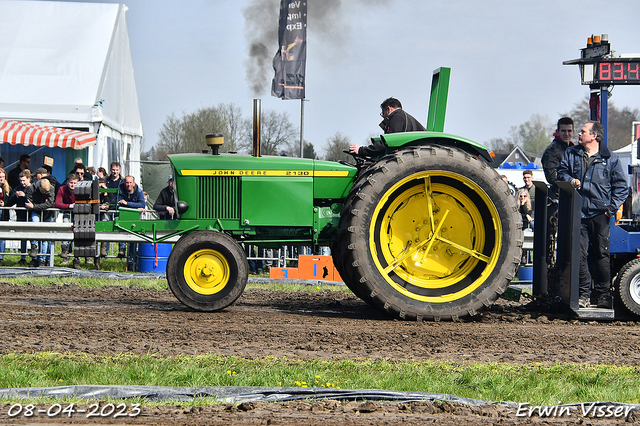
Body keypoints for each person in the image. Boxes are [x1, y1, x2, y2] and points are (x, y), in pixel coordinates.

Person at [558, 121, 629, 309]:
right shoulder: (571, 154)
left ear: (594, 136)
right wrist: (569, 179)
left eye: (582, 131)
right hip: (578, 214)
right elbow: (561, 172)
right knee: (580, 255)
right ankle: (584, 294)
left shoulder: (610, 159)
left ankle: (604, 295)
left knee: (601, 255)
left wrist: (610, 208)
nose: (578, 134)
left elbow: (622, 188)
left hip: (600, 214)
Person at [349, 97, 425, 158]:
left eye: (383, 114)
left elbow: (387, 144)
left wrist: (361, 150)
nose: (383, 117)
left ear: (388, 109)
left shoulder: (397, 116)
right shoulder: (405, 118)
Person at [542, 117, 575, 202]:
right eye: (563, 131)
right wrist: (571, 180)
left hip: (573, 195)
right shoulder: (551, 151)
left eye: (569, 131)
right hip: (558, 197)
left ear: (573, 132)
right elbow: (552, 177)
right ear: (557, 132)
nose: (566, 134)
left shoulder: (573, 149)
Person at [25, 176, 56, 267]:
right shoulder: (31, 188)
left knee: (45, 237)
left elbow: (50, 203)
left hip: (47, 214)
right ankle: (34, 246)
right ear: (39, 186)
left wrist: (35, 206)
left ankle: (42, 259)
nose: (44, 193)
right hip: (36, 213)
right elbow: (28, 202)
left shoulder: (51, 188)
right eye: (43, 191)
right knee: (35, 226)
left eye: (46, 192)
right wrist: (43, 205)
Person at [118, 175, 145, 270]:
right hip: (123, 218)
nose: (128, 185)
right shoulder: (120, 189)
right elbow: (118, 204)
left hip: (135, 219)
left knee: (133, 240)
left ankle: (132, 260)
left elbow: (142, 204)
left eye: (130, 183)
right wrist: (134, 207)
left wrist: (127, 204)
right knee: (121, 234)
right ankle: (122, 250)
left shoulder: (139, 191)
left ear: (133, 183)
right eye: (127, 182)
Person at [6, 170, 30, 265]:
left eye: (24, 180)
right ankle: (23, 257)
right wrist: (15, 196)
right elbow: (10, 203)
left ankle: (35, 257)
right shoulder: (17, 188)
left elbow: (33, 201)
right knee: (22, 237)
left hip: (31, 214)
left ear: (29, 179)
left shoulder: (33, 188)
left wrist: (24, 196)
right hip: (21, 215)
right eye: (21, 181)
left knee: (34, 237)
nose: (22, 183)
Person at [55, 174, 78, 267]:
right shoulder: (62, 189)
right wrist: (69, 206)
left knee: (78, 233)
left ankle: (77, 258)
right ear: (67, 182)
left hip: (78, 214)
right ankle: (65, 254)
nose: (72, 185)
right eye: (71, 183)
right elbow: (57, 203)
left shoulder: (80, 189)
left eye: (74, 183)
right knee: (66, 230)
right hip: (67, 212)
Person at [103, 162, 125, 258]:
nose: (115, 172)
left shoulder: (123, 181)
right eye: (113, 170)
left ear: (119, 170)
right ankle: (104, 249)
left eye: (116, 170)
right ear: (110, 170)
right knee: (105, 227)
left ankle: (122, 249)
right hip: (108, 208)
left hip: (119, 208)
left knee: (121, 228)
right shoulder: (105, 181)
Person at [0, 168, 11, 264]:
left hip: (4, 213)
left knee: (2, 235)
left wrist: (5, 203)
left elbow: (10, 200)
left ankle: (1, 256)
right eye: (0, 177)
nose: (1, 179)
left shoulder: (8, 187)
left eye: (3, 177)